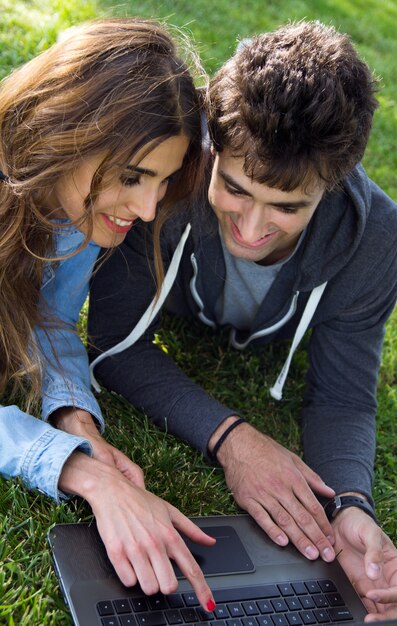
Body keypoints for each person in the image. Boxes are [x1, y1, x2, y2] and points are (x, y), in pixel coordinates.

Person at [88, 21, 397, 621]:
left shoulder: (376, 236)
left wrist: (353, 506)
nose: (251, 227)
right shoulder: (167, 181)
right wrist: (233, 439)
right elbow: (113, 346)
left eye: (287, 207)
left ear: (332, 189)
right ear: (214, 145)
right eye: (235, 189)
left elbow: (343, 398)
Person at [0, 18, 218, 610]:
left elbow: (47, 322)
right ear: (65, 132)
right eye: (132, 178)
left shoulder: (72, 209)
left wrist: (77, 422)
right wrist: (85, 476)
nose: (149, 210)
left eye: (164, 182)